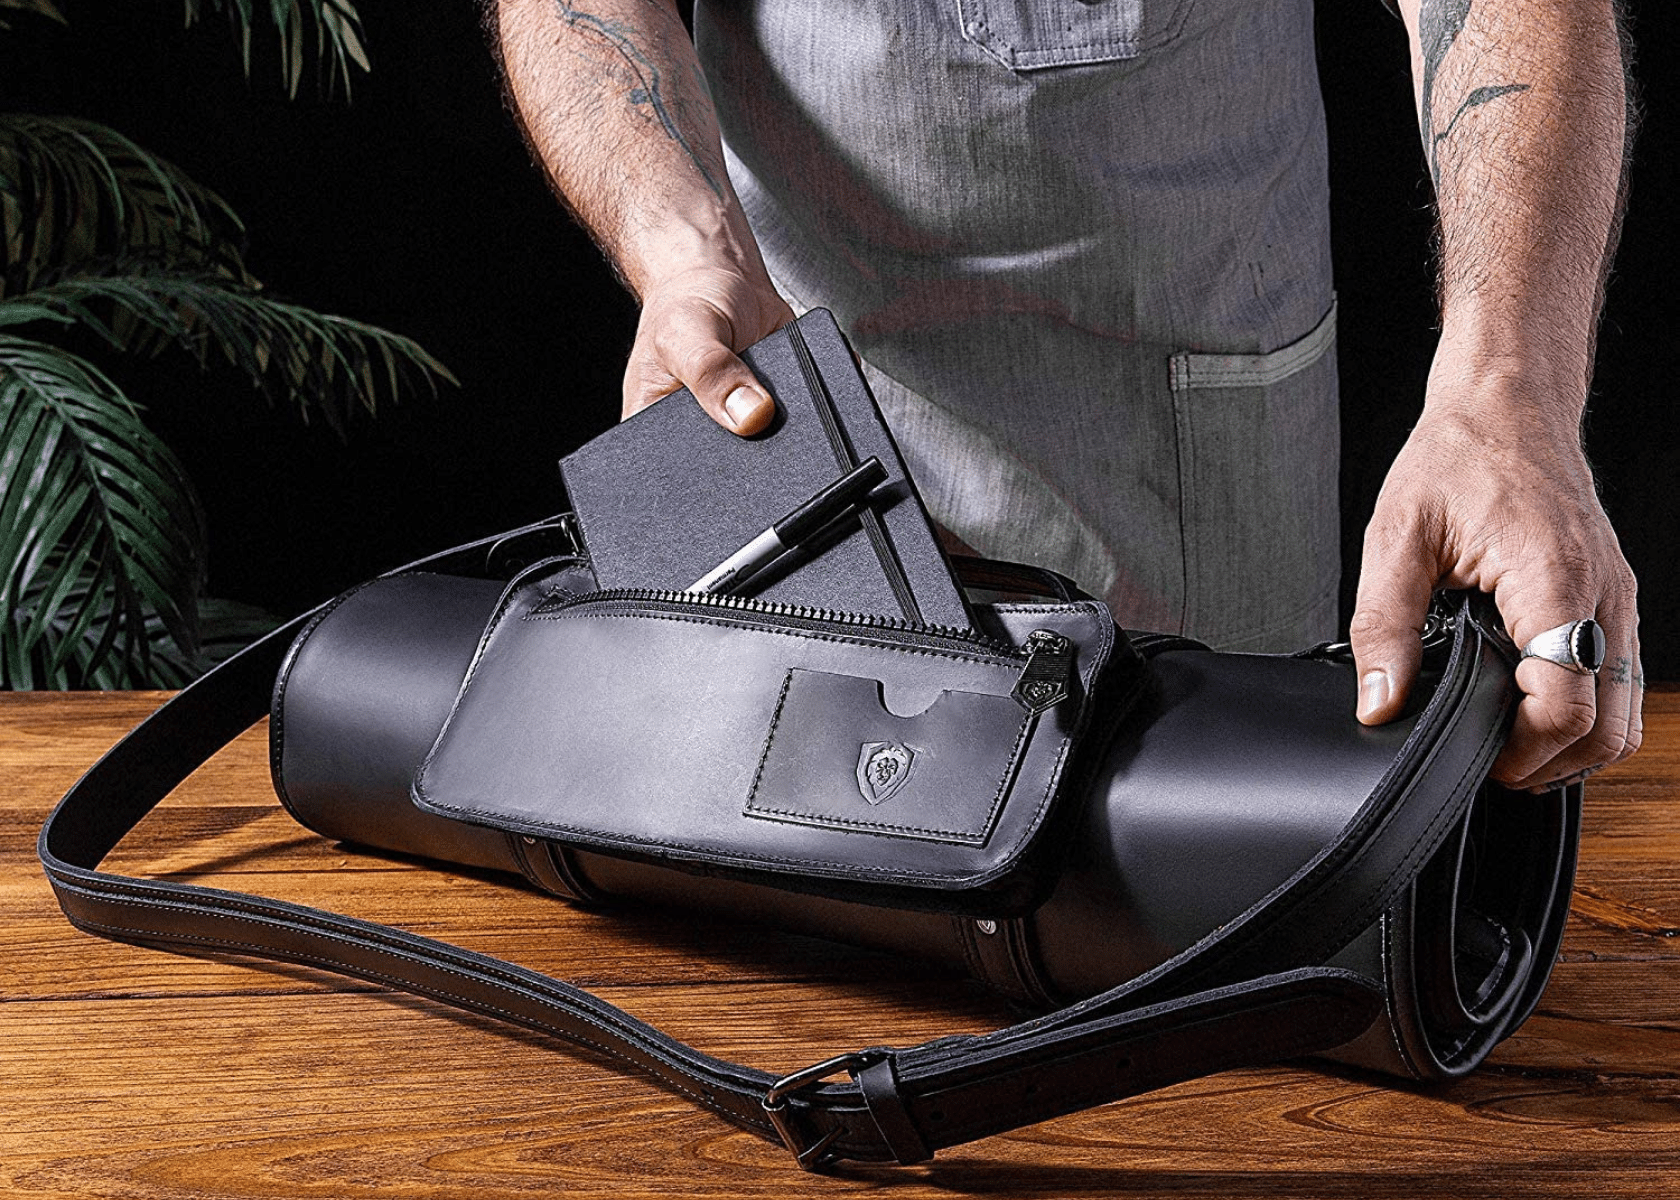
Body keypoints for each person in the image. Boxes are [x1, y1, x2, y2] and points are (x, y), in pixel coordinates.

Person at [490, 0, 1642, 791]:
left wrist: (1509, 392)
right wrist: (684, 252)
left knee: (1208, 962)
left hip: (1179, 442)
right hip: (797, 433)